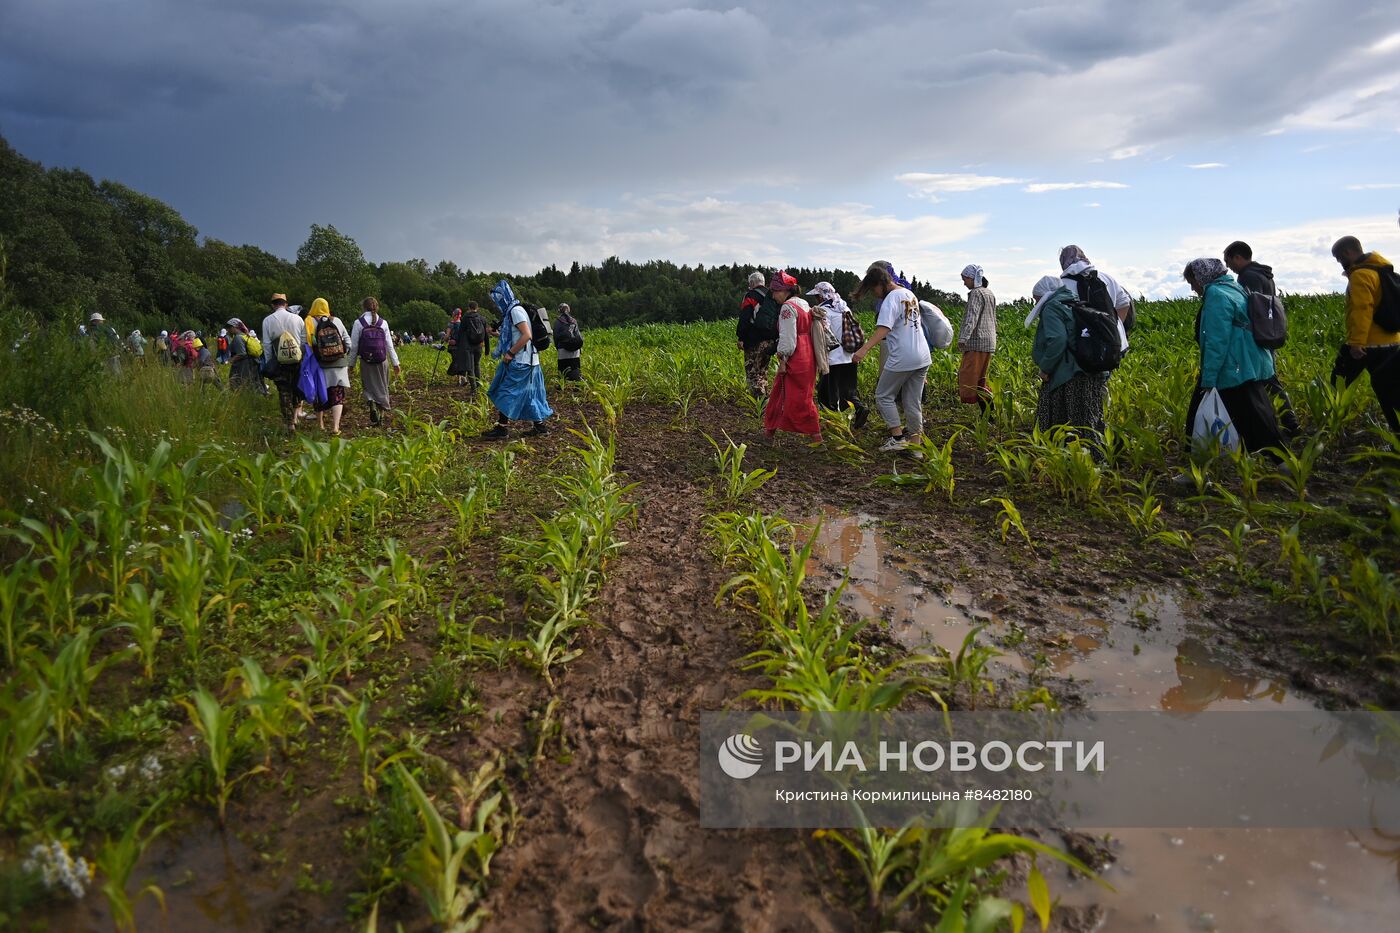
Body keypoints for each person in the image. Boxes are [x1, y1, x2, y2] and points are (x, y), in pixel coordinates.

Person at [1184, 258, 1284, 455]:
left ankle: (1285, 464)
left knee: (1255, 422)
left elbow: (1216, 341)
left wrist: (1208, 378)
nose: (1193, 289)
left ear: (1201, 277)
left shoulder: (1216, 294)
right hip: (1248, 365)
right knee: (1257, 418)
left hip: (1232, 369)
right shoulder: (1234, 288)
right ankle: (1197, 465)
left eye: (1192, 282)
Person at [851, 261, 932, 452]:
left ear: (880, 283)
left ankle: (897, 438)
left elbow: (884, 329)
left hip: (903, 356)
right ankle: (916, 446)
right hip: (922, 356)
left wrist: (864, 349)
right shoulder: (909, 294)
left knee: (883, 395)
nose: (875, 294)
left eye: (873, 289)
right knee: (912, 401)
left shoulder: (890, 299)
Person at [1223, 241, 1300, 436]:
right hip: (1268, 331)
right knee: (1269, 379)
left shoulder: (1248, 277)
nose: (1228, 266)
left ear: (1238, 257)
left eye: (1229, 261)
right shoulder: (1264, 275)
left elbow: (1248, 308)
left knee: (1266, 380)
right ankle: (1287, 422)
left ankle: (1285, 423)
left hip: (1256, 335)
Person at [1330, 236, 1400, 433]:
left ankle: (1333, 428)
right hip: (1392, 342)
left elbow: (1362, 310)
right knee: (1390, 391)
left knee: (1337, 384)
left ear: (1347, 253)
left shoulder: (1361, 275)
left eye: (1338, 258)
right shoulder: (1382, 271)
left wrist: (1356, 343)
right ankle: (1396, 432)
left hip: (1368, 344)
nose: (1339, 262)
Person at [1027, 276, 1108, 437]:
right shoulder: (1076, 303)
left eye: (1037, 299)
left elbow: (1058, 340)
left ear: (1045, 295)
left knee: (1062, 425)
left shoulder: (1052, 307)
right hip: (1088, 369)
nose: (1036, 303)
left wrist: (1045, 368)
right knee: (1088, 423)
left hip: (1068, 373)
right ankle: (1095, 458)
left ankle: (1065, 457)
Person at [482, 281, 552, 439]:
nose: (497, 303)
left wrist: (511, 353)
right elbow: (516, 335)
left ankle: (502, 429)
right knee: (530, 394)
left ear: (505, 297)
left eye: (499, 299)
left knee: (506, 391)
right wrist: (496, 335)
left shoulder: (515, 311)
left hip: (521, 360)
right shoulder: (514, 311)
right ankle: (540, 427)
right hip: (529, 360)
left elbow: (527, 335)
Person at [762, 271, 823, 443]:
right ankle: (770, 432)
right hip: (808, 353)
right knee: (801, 395)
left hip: (796, 356)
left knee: (791, 396)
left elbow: (788, 339)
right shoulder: (803, 304)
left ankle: (816, 437)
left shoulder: (787, 308)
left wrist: (783, 360)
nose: (773, 296)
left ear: (784, 290)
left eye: (775, 291)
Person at [808, 281, 869, 427]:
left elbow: (823, 334)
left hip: (832, 359)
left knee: (827, 393)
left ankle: (834, 423)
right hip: (849, 355)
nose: (816, 299)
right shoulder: (844, 307)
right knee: (848, 391)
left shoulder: (822, 310)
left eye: (817, 296)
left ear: (822, 296)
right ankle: (859, 408)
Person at [1057, 245, 1133, 356]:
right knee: (1106, 370)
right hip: (1112, 344)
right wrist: (1113, 326)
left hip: (1081, 347)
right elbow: (1125, 303)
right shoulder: (1106, 278)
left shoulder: (1061, 284)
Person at [347, 297, 401, 426]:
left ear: (363, 307)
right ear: (377, 307)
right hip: (382, 360)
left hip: (366, 360)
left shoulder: (358, 323)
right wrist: (395, 363)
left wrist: (351, 364)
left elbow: (354, 346)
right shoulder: (383, 323)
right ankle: (381, 417)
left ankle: (371, 403)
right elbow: (389, 345)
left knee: (368, 386)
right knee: (383, 386)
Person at [261, 293, 307, 431]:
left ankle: (289, 424)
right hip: (297, 359)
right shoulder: (297, 319)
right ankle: (295, 416)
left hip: (279, 360)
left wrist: (270, 363)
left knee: (284, 391)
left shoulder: (268, 321)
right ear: (286, 304)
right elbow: (304, 341)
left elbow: (267, 345)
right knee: (297, 388)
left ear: (273, 305)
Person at [305, 297, 351, 435]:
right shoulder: (336, 321)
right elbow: (348, 342)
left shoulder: (309, 322)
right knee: (337, 395)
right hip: (339, 364)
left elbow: (304, 344)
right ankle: (336, 427)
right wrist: (341, 353)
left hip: (319, 365)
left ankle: (321, 425)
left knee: (320, 394)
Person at [956, 264, 997, 414]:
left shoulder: (976, 293)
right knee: (980, 378)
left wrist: (963, 338)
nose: (964, 283)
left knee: (968, 378)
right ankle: (987, 415)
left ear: (972, 278)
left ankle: (989, 409)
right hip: (988, 341)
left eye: (965, 279)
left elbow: (971, 317)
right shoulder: (989, 293)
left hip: (977, 342)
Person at [738, 270, 780, 398]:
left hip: (754, 340)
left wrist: (741, 337)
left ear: (751, 283)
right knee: (763, 371)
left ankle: (760, 405)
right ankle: (766, 402)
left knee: (753, 372)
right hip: (771, 340)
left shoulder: (751, 295)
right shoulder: (773, 295)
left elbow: (745, 317)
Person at [226, 318, 264, 393]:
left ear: (234, 327)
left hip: (243, 365)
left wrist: (231, 360)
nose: (228, 330)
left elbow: (241, 353)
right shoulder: (246, 336)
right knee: (252, 383)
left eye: (229, 328)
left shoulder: (238, 337)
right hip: (252, 363)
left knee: (238, 383)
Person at [555, 303, 583, 382]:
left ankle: (563, 388)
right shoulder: (573, 321)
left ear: (559, 310)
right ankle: (577, 388)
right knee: (575, 368)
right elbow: (578, 335)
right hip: (575, 350)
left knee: (563, 371)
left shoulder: (558, 321)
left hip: (563, 349)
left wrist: (558, 348)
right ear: (569, 309)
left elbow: (556, 337)